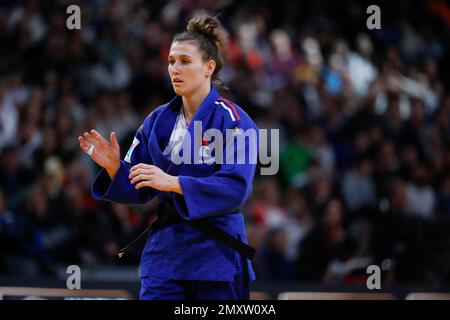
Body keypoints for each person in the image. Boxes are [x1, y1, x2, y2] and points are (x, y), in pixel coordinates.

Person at [78, 15, 258, 300]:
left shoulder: (233, 120)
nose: (175, 69)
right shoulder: (157, 120)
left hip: (217, 253)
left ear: (209, 67)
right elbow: (141, 187)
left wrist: (175, 183)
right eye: (171, 61)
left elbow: (235, 188)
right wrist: (115, 168)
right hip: (166, 252)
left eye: (185, 61)